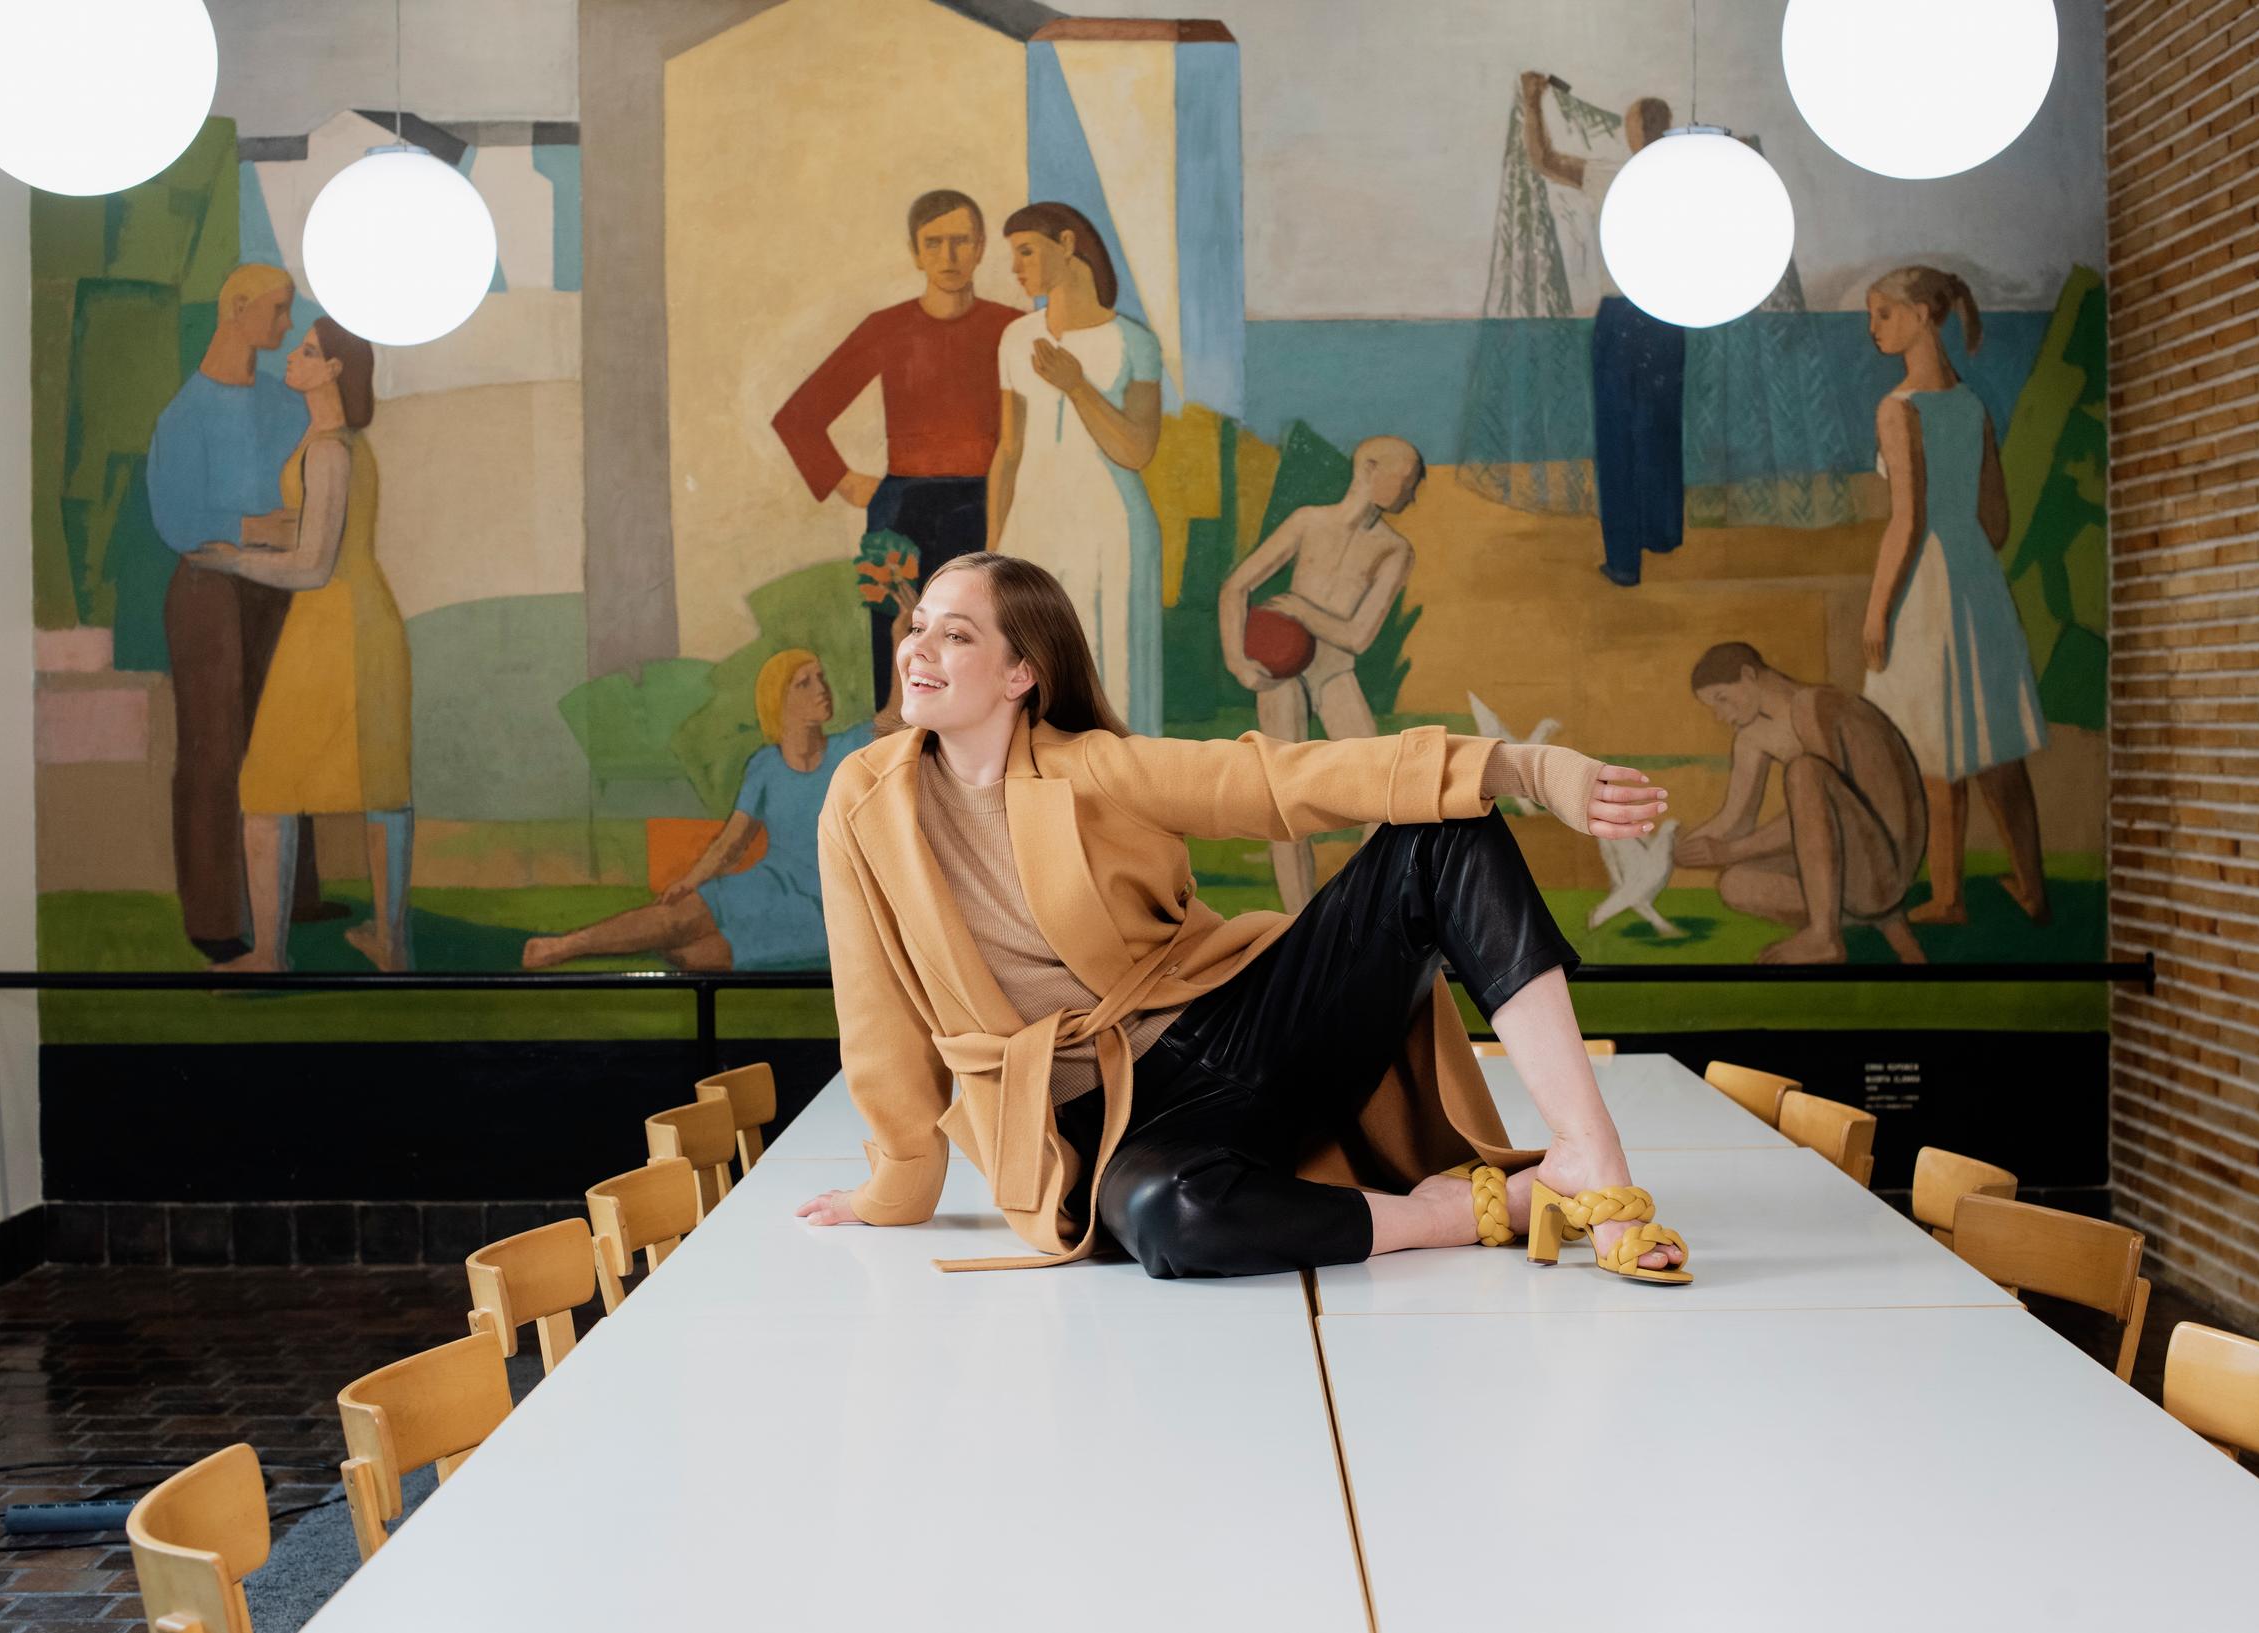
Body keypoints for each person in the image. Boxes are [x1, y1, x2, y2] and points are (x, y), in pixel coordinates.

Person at [796, 551, 1690, 1287]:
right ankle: (1453, 1213)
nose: (918, 648)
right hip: (1107, 1129)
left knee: (1442, 833)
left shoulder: (1093, 767)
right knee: (1170, 1218)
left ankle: (1589, 1157)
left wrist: (1527, 770)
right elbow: (875, 1008)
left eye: (956, 634)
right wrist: (898, 1182)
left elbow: (1277, 781)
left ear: (1020, 672)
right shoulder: (863, 803)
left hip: (1242, 1030)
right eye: (918, 626)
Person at [190, 319, 412, 973]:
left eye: (307, 351)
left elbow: (314, 565)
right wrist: (252, 530)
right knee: (382, 784)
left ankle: (268, 955)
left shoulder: (330, 452)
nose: (292, 357)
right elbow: (317, 526)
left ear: (334, 370)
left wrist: (233, 560)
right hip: (356, 621)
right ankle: (392, 944)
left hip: (335, 628)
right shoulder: (332, 444)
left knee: (267, 787)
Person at [144, 263, 332, 959]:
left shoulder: (285, 405)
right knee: (214, 748)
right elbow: (179, 520)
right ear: (238, 308)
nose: (286, 325)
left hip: (277, 587)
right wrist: (258, 527)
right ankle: (215, 916)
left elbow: (311, 498)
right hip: (207, 594)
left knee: (283, 737)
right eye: (278, 310)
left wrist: (278, 535)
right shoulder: (185, 414)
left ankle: (296, 896)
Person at [772, 190, 1022, 711]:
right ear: (915, 252)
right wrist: (847, 481)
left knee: (990, 650)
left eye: (960, 241)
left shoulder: (1012, 330)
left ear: (980, 247)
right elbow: (797, 418)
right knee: (902, 657)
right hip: (903, 515)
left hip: (990, 506)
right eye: (934, 243)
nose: (948, 256)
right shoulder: (886, 329)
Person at [1861, 265, 2050, 926]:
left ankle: (1948, 898)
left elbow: (1907, 521)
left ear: (1921, 315)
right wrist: (1970, 554)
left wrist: (1878, 609)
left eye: (1883, 314)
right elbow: (1995, 518)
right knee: (1995, 744)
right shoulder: (1970, 404)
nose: (1873, 328)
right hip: (1976, 576)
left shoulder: (1898, 408)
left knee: (1938, 752)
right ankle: (2032, 888)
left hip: (1926, 583)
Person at [522, 652, 871, 972]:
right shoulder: (765, 765)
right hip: (768, 883)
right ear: (778, 700)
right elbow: (731, 842)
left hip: (824, 904)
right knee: (675, 917)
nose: (822, 689)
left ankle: (644, 945)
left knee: (697, 957)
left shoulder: (850, 748)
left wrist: (898, 635)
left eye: (820, 678)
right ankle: (565, 946)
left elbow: (895, 715)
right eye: (804, 683)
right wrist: (689, 882)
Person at [1217, 435, 1425, 910]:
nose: (1413, 494)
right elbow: (1235, 587)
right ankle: (1299, 922)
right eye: (1408, 480)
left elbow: (1358, 636)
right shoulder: (1308, 521)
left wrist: (1303, 612)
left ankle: (1353, 908)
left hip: (1334, 673)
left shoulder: (1395, 550)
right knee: (1285, 802)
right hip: (1281, 675)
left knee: (1383, 792)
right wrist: (1238, 663)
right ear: (1369, 468)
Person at [986, 202, 1167, 734]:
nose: (1016, 267)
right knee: (1028, 676)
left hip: (1111, 530)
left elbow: (1136, 450)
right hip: (1031, 527)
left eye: (1026, 251)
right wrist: (990, 552)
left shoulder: (1134, 342)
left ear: (1066, 244)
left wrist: (1077, 386)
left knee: (1114, 673)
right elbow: (1009, 451)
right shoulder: (1016, 338)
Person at [1521, 71, 1682, 588]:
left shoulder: (1610, 173)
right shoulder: (1687, 177)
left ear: (1634, 131)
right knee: (1659, 428)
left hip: (1623, 319)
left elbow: (1542, 158)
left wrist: (1532, 101)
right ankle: (1660, 533)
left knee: (1618, 438)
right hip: (1670, 319)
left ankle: (1624, 562)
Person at [1678, 643, 1929, 965]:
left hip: (1886, 870)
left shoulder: (1815, 705)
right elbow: (1733, 821)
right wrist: (1673, 849)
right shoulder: (1751, 734)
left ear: (1748, 675)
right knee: (1734, 884)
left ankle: (1824, 936)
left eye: (1722, 698)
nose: (1721, 715)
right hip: (1850, 873)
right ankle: (1877, 920)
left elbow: (1818, 816)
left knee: (1805, 772)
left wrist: (1730, 851)